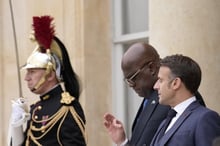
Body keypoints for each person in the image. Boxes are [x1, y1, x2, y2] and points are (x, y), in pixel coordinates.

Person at [103, 43, 206, 146]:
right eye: (128, 81)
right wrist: (123, 142)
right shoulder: (152, 101)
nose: (131, 85)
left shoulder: (181, 98)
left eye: (133, 79)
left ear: (151, 68)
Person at [8, 16, 86, 146]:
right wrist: (16, 125)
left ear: (50, 75)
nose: (26, 78)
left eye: (32, 72)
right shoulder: (36, 110)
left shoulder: (66, 108)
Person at [150, 54, 220, 146]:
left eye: (161, 80)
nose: (155, 86)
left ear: (175, 83)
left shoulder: (205, 118)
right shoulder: (165, 122)